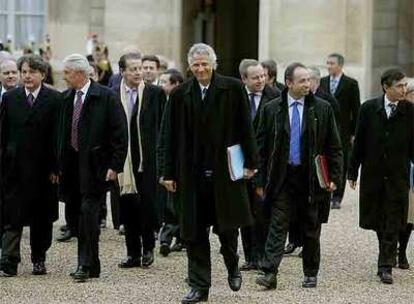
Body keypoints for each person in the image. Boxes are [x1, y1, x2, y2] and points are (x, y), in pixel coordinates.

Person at [159, 43, 258, 303]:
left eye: (205, 64)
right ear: (189, 67)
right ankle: (199, 286)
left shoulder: (233, 88)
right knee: (194, 233)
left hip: (225, 172)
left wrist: (252, 163)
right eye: (196, 65)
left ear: (213, 64)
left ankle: (233, 264)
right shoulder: (180, 94)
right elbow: (168, 136)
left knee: (227, 229)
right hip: (191, 175)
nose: (201, 69)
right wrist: (166, 172)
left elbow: (245, 126)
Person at [255, 62, 343, 289]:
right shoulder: (272, 109)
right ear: (289, 83)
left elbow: (334, 146)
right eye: (302, 80)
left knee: (310, 227)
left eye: (310, 80)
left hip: (310, 177)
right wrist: (259, 180)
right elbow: (261, 148)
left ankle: (311, 272)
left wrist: (334, 177)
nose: (308, 84)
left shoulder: (322, 108)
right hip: (281, 176)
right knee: (277, 225)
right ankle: (269, 272)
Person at [58, 54, 127, 282]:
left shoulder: (106, 96)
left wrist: (115, 166)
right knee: (77, 218)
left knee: (89, 215)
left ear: (79, 73)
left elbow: (120, 134)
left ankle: (84, 264)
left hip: (97, 167)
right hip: (72, 168)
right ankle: (92, 264)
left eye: (66, 73)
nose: (64, 77)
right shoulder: (66, 98)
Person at [348, 68, 414, 284]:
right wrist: (352, 171)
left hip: (398, 176)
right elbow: (359, 143)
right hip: (374, 175)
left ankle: (385, 265)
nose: (405, 89)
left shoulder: (410, 111)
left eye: (405, 85)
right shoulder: (368, 109)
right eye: (400, 86)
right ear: (387, 87)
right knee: (378, 219)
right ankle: (386, 252)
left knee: (394, 220)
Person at [0, 55, 61, 277]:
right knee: (12, 216)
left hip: (44, 171)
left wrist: (56, 168)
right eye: (24, 71)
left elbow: (58, 136)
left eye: (32, 72)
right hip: (14, 168)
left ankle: (39, 258)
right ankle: (9, 260)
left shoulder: (55, 99)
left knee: (41, 218)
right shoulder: (10, 98)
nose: (26, 76)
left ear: (42, 75)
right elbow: (3, 132)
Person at [113, 52, 166, 268]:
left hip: (147, 160)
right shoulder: (113, 95)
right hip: (123, 160)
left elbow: (164, 127)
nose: (138, 72)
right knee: (127, 207)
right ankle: (132, 253)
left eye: (140, 68)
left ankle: (148, 249)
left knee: (147, 206)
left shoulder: (155, 93)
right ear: (123, 71)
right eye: (133, 69)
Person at [238, 59, 279, 271]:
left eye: (263, 76)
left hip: (266, 163)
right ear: (244, 79)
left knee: (264, 211)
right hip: (241, 163)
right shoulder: (236, 97)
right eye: (255, 77)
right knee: (245, 212)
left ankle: (265, 255)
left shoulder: (276, 96)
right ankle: (250, 257)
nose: (261, 80)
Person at [320, 53, 360, 209]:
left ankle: (337, 196)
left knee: (340, 162)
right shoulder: (322, 82)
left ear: (340, 65)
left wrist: (354, 133)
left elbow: (356, 110)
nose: (329, 66)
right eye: (327, 63)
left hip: (342, 130)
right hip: (325, 128)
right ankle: (325, 191)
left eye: (332, 63)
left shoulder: (351, 84)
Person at [158, 68, 185, 257]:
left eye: (164, 82)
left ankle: (180, 238)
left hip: (184, 162)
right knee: (170, 204)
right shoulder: (160, 101)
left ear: (176, 84)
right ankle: (166, 239)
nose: (161, 86)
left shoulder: (184, 103)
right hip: (169, 162)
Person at [395, 77, 414, 270]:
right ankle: (392, 248)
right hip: (402, 171)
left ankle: (402, 250)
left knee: (410, 216)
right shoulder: (399, 113)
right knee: (400, 213)